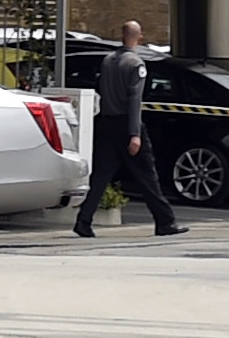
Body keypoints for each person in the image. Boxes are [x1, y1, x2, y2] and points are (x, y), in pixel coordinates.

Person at [75, 23, 184, 238]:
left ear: (121, 35)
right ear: (139, 37)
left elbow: (100, 90)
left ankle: (83, 220)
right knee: (147, 175)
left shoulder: (107, 61)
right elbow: (135, 100)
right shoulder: (135, 64)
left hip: (107, 122)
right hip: (126, 124)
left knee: (101, 175)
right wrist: (134, 134)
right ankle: (165, 221)